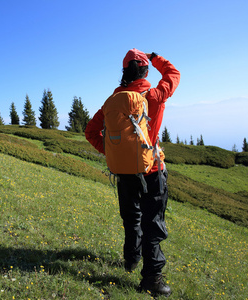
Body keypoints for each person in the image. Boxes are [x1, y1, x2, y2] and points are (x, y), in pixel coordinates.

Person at [85, 49, 180, 296]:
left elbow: (90, 132)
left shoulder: (111, 103)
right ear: (146, 71)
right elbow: (173, 74)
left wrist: (113, 153)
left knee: (131, 217)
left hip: (125, 172)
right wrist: (156, 57)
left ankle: (131, 260)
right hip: (152, 169)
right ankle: (152, 279)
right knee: (153, 223)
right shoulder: (155, 95)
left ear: (124, 72)